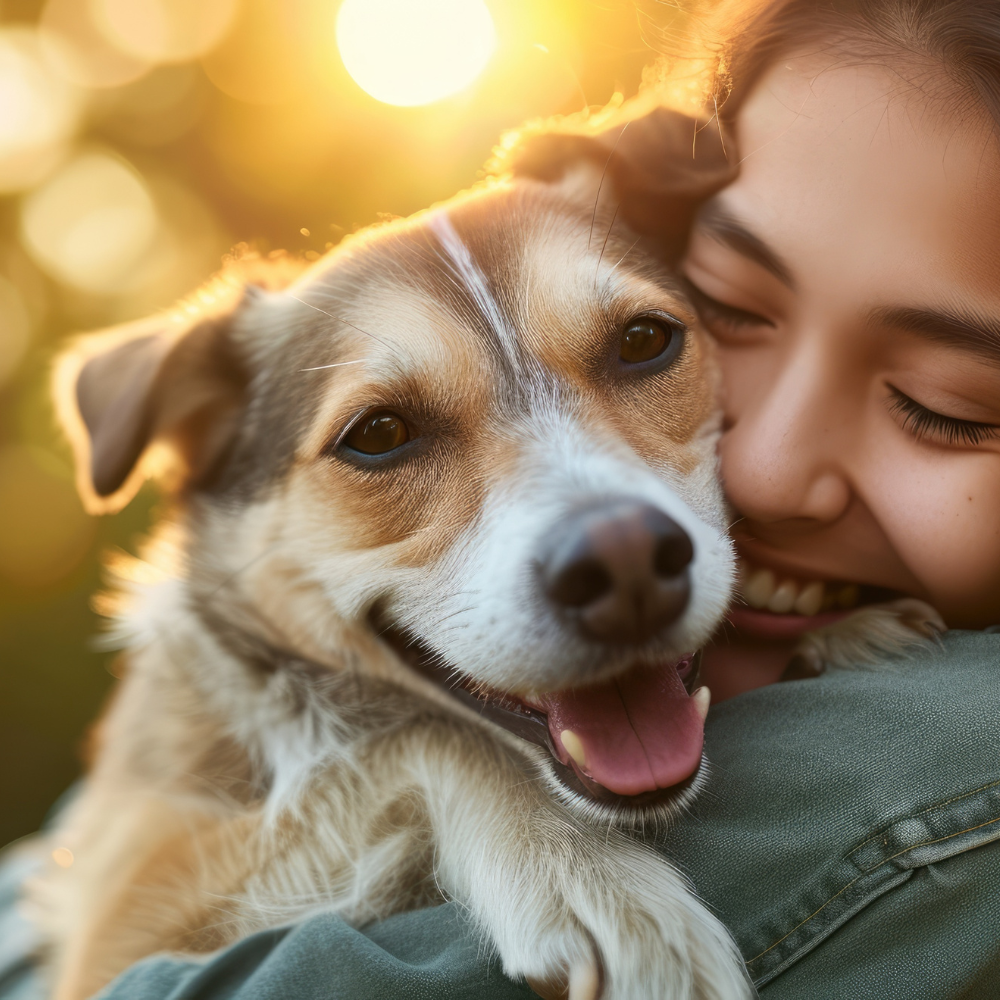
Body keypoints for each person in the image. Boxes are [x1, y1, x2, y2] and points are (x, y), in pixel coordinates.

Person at [2, 0, 999, 997]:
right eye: (383, 434)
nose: (598, 526)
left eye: (639, 344)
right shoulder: (190, 702)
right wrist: (447, 787)